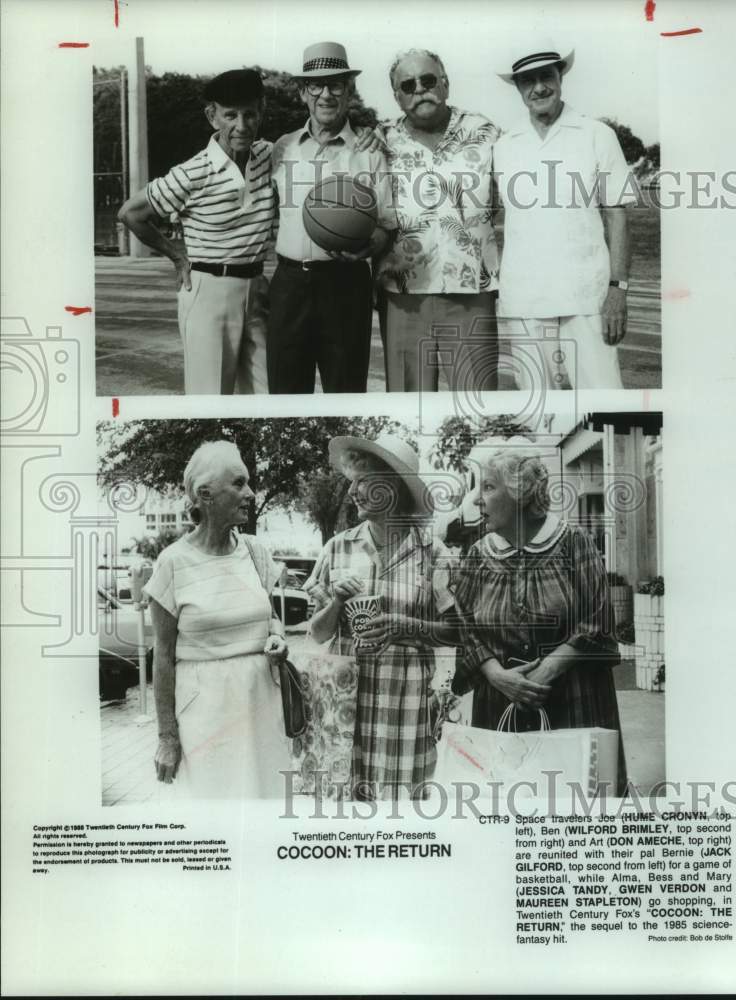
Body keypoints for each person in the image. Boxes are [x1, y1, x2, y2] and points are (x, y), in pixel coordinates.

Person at [453, 438, 627, 790]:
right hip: (500, 706)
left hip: (574, 702)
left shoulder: (574, 543)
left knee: (578, 801)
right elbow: (463, 627)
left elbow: (599, 621)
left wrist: (542, 674)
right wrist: (498, 676)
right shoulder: (478, 556)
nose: (476, 500)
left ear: (521, 493)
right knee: (506, 803)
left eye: (488, 487)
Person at [305, 434, 457, 799]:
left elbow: (457, 632)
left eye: (361, 482)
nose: (351, 492)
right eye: (351, 482)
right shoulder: (337, 549)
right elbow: (317, 634)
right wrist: (336, 603)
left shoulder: (432, 553)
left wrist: (409, 626)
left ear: (392, 487)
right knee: (346, 805)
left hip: (405, 705)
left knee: (401, 807)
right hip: (345, 706)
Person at [144, 441, 291, 798]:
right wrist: (167, 738)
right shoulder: (172, 562)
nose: (251, 493)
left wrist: (277, 636)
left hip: (261, 705)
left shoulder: (255, 552)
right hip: (205, 716)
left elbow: (272, 618)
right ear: (205, 495)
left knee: (264, 803)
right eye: (239, 484)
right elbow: (162, 656)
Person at [118, 69, 274, 395]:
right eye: (230, 115)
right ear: (212, 116)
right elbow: (131, 213)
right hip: (209, 291)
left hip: (258, 289)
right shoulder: (192, 172)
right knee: (210, 397)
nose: (242, 125)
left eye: (249, 114)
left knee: (270, 395)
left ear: (261, 111)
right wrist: (177, 257)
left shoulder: (269, 155)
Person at [493, 42, 637, 390]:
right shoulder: (504, 145)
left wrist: (618, 290)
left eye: (546, 76)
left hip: (587, 296)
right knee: (538, 407)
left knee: (603, 401)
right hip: (525, 296)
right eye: (528, 81)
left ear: (561, 78)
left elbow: (617, 216)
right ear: (517, 87)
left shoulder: (597, 135)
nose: (539, 88)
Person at [268, 42, 396, 394]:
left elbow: (387, 225)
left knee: (346, 393)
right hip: (290, 284)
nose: (325, 94)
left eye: (335, 85)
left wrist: (369, 247)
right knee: (285, 396)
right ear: (302, 92)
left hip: (346, 284)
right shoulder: (282, 148)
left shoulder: (370, 152)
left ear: (349, 91)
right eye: (315, 86)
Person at [375, 49, 501, 392]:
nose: (419, 90)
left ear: (445, 83)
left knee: (478, 405)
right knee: (408, 406)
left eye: (428, 80)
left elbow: (502, 200)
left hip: (471, 293)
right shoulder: (379, 140)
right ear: (397, 96)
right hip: (404, 295)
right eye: (408, 85)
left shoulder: (485, 131)